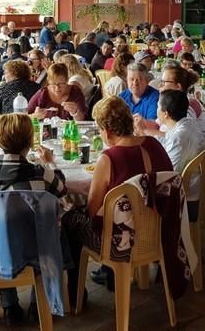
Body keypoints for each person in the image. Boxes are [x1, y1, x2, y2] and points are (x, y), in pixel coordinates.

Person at [0, 113, 67, 325]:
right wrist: (50, 163)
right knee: (53, 226)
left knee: (0, 228)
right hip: (37, 249)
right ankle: (37, 303)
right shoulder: (40, 171)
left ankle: (9, 306)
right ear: (30, 141)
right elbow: (62, 189)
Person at [82, 97, 173, 287]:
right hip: (159, 232)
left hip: (122, 244)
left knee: (72, 223)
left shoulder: (109, 159)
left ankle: (76, 297)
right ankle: (110, 274)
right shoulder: (154, 144)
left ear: (106, 131)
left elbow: (92, 211)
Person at [155, 90, 205, 212]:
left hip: (186, 198)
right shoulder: (188, 122)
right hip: (195, 186)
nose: (156, 109)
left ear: (166, 114)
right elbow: (168, 137)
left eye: (158, 106)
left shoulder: (179, 138)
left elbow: (170, 175)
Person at [135, 64, 205, 141]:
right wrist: (142, 122)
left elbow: (178, 138)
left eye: (164, 82)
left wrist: (144, 131)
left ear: (178, 86)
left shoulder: (187, 106)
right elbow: (158, 124)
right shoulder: (171, 102)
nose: (159, 85)